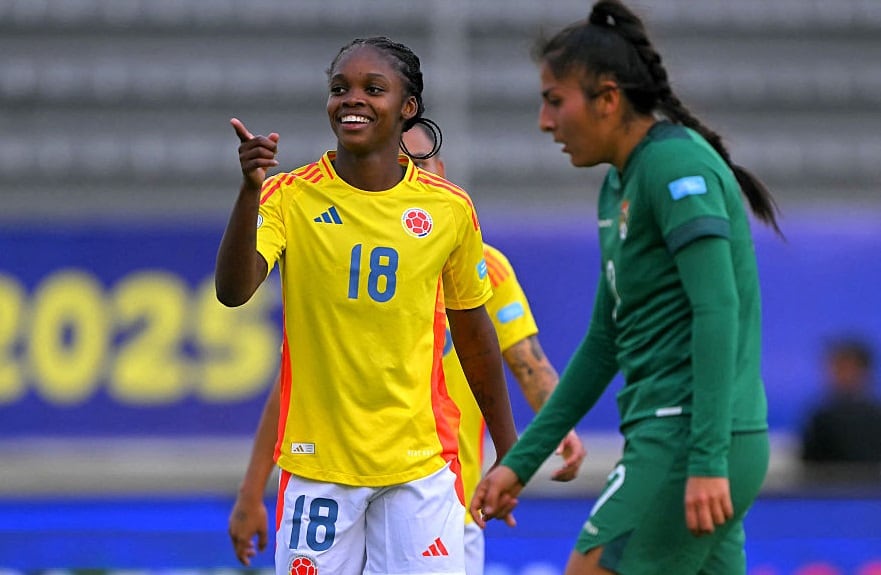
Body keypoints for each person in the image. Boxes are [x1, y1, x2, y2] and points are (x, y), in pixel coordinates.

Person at [470, 1, 783, 574]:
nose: (545, 121)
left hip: (689, 438)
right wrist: (520, 462)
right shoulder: (620, 184)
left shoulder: (674, 168)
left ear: (608, 98)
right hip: (685, 437)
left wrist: (707, 459)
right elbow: (603, 343)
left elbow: (718, 310)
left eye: (554, 100)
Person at [215, 36, 518, 575]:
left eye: (372, 89)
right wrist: (247, 191)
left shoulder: (447, 209)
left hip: (419, 468)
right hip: (318, 469)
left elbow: (475, 337)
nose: (352, 99)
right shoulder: (288, 196)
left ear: (408, 108)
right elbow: (233, 291)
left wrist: (508, 451)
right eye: (340, 89)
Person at [228, 123, 587, 574]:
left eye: (418, 163)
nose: (406, 172)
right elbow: (291, 383)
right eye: (400, 162)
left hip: (448, 489)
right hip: (330, 472)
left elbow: (524, 360)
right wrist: (251, 490)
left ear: (439, 171)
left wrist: (548, 434)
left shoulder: (484, 267)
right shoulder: (340, 255)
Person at [801, 337, 881, 463]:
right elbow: (810, 467)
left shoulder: (877, 416)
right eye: (837, 369)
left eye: (848, 368)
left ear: (865, 372)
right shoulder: (821, 419)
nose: (842, 376)